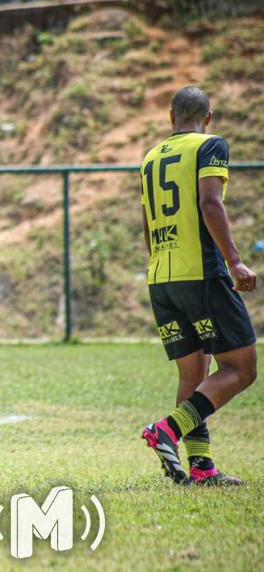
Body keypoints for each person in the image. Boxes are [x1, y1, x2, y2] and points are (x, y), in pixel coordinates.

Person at [139, 86, 257, 486]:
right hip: (201, 274)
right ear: (208, 117)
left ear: (171, 117)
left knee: (193, 376)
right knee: (241, 368)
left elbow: (146, 226)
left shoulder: (150, 157)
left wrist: (160, 267)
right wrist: (234, 260)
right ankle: (167, 430)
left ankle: (201, 470)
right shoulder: (210, 146)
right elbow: (210, 203)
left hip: (162, 276)